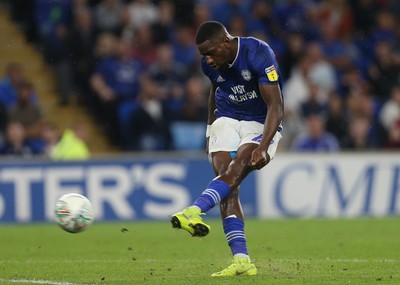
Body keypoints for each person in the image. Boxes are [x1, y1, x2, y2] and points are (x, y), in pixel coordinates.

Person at [170, 21, 284, 277]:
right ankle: (241, 260)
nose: (208, 60)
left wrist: (263, 146)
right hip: (227, 116)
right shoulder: (209, 64)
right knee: (226, 183)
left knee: (233, 173)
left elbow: (276, 105)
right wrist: (210, 130)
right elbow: (215, 90)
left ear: (226, 41)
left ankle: (194, 210)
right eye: (203, 55)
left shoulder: (257, 53)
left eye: (211, 53)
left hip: (260, 122)